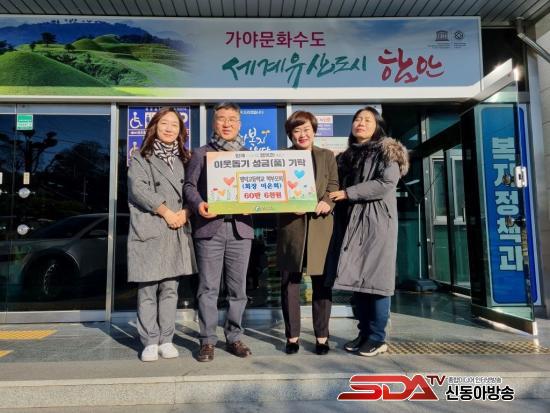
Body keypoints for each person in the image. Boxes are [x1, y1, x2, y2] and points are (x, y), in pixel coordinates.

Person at [328, 106, 409, 357]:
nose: (360, 123)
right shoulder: (347, 156)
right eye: (357, 119)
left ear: (377, 126)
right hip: (352, 223)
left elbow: (386, 183)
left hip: (376, 224)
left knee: (377, 283)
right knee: (359, 282)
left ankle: (377, 337)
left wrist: (348, 193)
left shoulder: (387, 150)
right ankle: (364, 333)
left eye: (367, 120)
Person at [184, 102, 253, 362]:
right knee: (208, 288)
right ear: (214, 123)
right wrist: (199, 204)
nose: (226, 123)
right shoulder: (201, 153)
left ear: (239, 123)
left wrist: (257, 203)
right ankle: (207, 340)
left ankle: (234, 337)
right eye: (221, 118)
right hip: (209, 228)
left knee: (238, 289)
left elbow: (258, 189)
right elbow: (189, 186)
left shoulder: (249, 155)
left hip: (240, 229)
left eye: (232, 119)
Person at [127, 107, 197, 362]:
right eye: (164, 123)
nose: (169, 128)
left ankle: (166, 339)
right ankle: (149, 340)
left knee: (170, 289)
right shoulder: (140, 157)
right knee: (147, 288)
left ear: (181, 131)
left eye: (174, 125)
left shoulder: (185, 159)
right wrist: (167, 212)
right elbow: (139, 189)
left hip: (177, 228)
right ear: (154, 126)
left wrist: (186, 212)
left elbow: (194, 190)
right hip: (151, 227)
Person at [277, 111, 338, 355]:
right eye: (296, 130)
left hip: (320, 225)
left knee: (322, 283)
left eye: (306, 129)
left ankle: (322, 337)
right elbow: (274, 188)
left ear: (314, 131)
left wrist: (327, 202)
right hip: (291, 227)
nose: (302, 134)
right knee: (289, 283)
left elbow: (333, 185)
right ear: (290, 134)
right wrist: (288, 204)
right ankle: (292, 336)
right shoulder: (282, 156)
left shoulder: (326, 156)